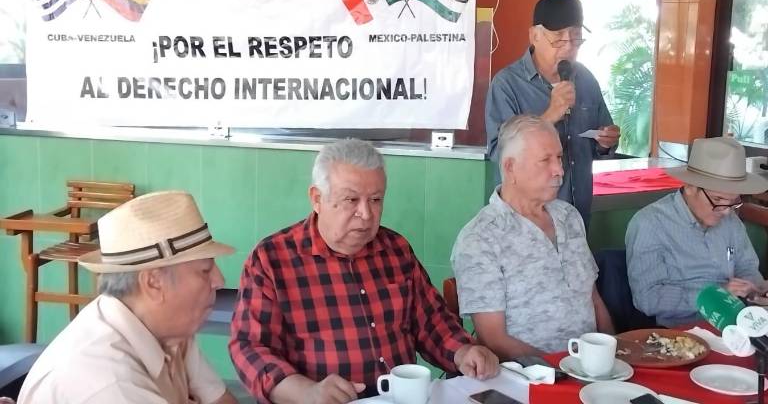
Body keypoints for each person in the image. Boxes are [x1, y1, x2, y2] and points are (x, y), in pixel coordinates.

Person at [229, 139, 498, 404]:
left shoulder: (395, 249)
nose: (367, 214)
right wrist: (306, 392)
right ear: (317, 198)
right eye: (351, 199)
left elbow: (430, 320)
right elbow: (249, 347)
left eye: (376, 200)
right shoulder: (272, 259)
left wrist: (463, 351)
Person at [17, 191, 238, 404]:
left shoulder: (168, 329)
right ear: (153, 282)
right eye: (205, 270)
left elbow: (220, 399)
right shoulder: (109, 383)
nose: (219, 280)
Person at [451, 115, 614, 359]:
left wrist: (611, 353)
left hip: (590, 367)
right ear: (510, 168)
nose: (559, 170)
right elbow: (494, 340)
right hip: (530, 374)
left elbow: (593, 299)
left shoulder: (569, 216)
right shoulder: (481, 238)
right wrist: (559, 371)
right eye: (545, 160)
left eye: (559, 158)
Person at [485, 0, 620, 228]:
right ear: (535, 36)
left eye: (575, 39)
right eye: (558, 39)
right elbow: (500, 154)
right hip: (524, 219)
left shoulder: (586, 80)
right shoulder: (507, 84)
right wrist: (549, 115)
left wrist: (605, 142)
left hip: (577, 216)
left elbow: (598, 145)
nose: (568, 48)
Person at [626, 136, 768, 327]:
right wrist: (715, 295)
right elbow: (647, 298)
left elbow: (747, 267)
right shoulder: (650, 223)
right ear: (690, 187)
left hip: (740, 321)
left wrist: (753, 290)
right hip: (684, 331)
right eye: (717, 200)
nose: (726, 211)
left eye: (733, 202)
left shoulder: (730, 219)